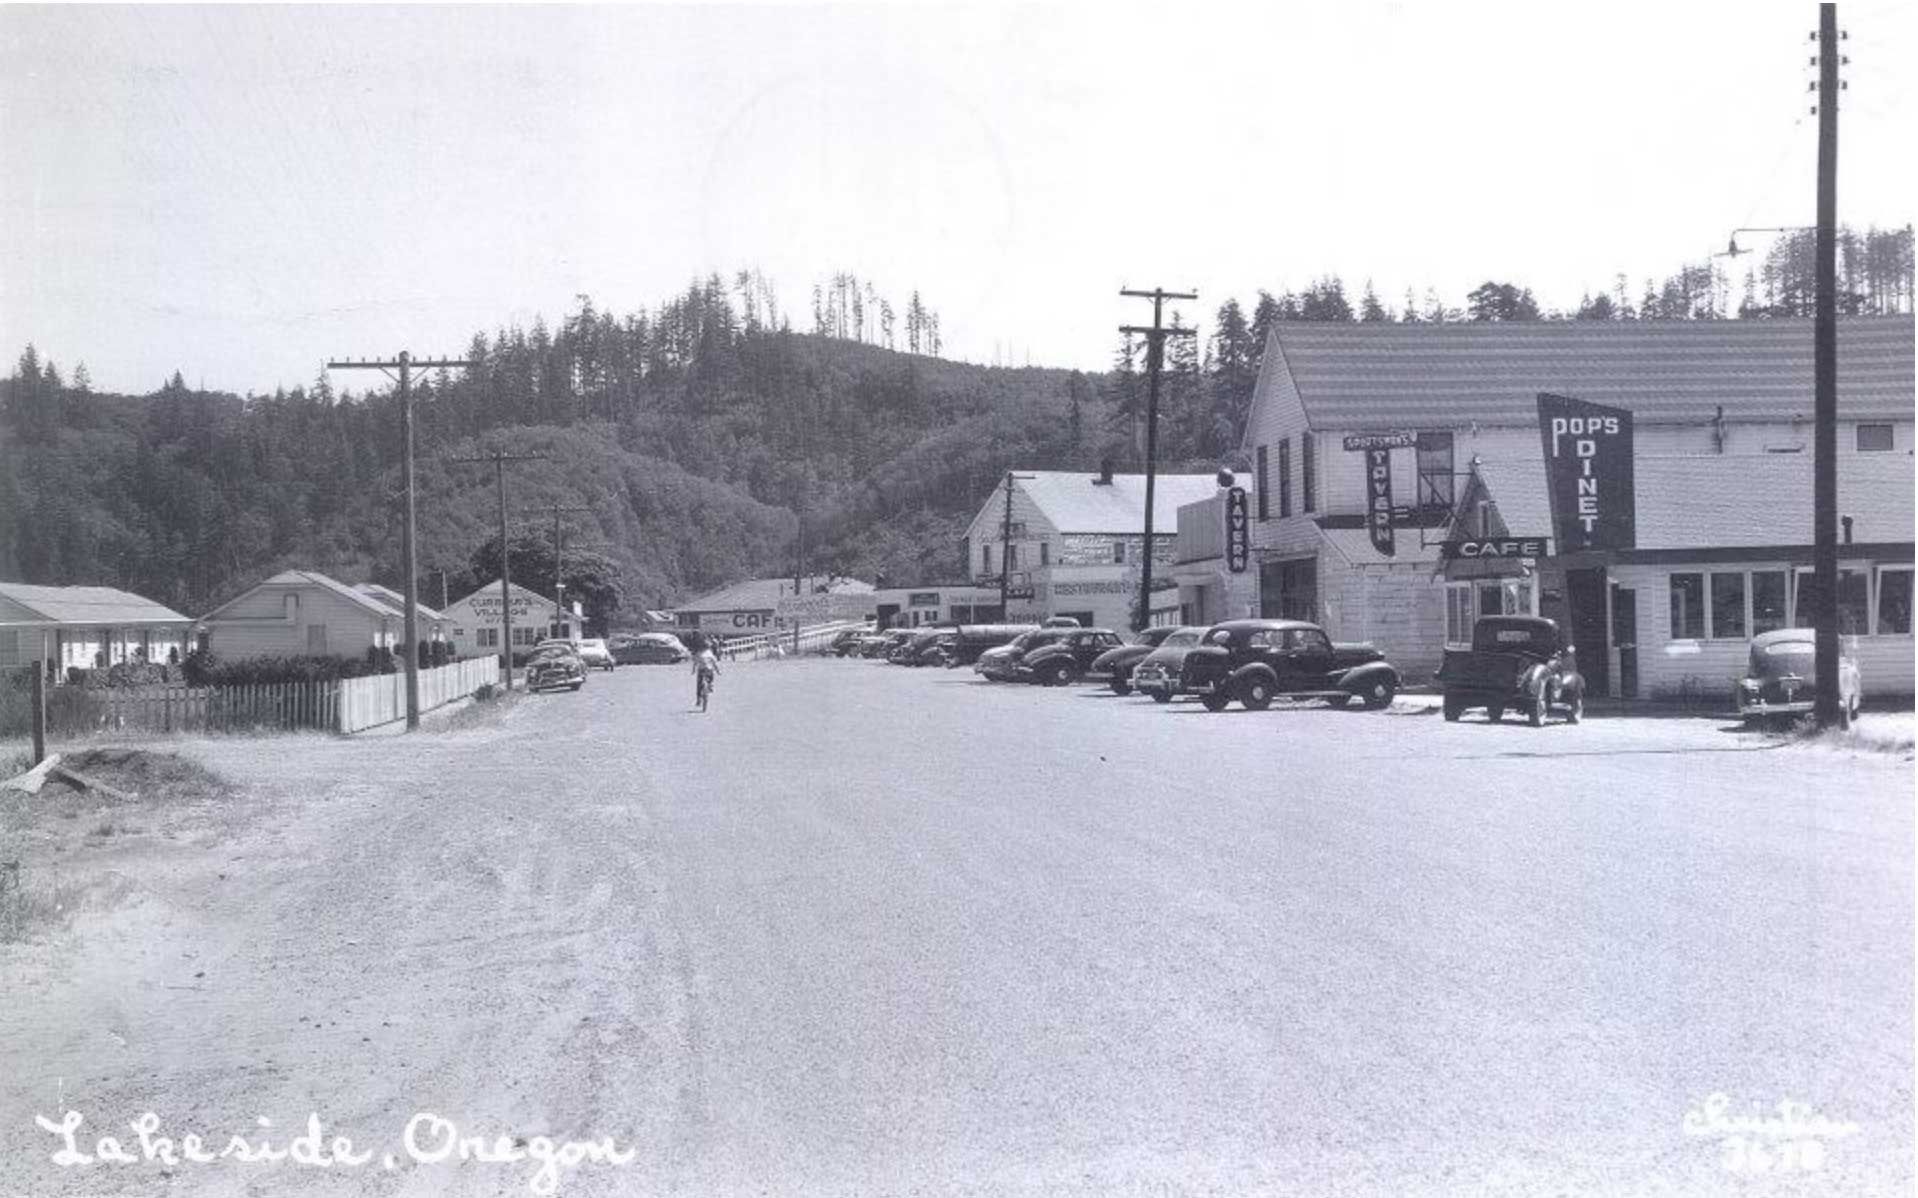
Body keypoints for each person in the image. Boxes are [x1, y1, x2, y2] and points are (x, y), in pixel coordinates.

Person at [692, 640, 720, 712]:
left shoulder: (698, 654)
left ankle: (698, 699)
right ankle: (711, 685)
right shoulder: (710, 654)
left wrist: (693, 670)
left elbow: (695, 663)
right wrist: (718, 671)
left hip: (701, 670)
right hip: (709, 670)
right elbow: (715, 663)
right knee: (711, 677)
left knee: (699, 685)